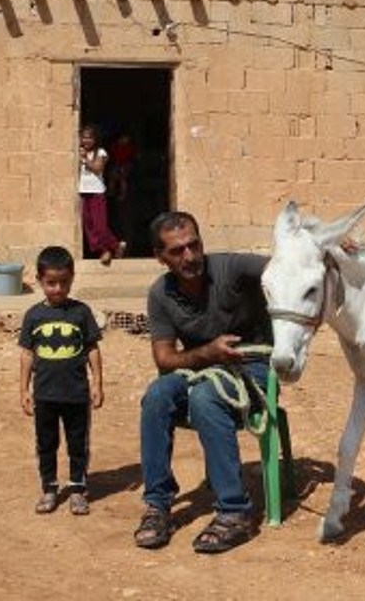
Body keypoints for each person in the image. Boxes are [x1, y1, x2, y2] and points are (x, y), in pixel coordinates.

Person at [133, 210, 273, 554]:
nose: (190, 256)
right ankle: (157, 505)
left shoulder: (232, 268)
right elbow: (164, 360)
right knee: (156, 395)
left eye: (194, 245)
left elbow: (285, 267)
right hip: (201, 368)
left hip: (252, 367)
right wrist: (208, 353)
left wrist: (327, 251)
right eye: (177, 250)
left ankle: (234, 512)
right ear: (160, 257)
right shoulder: (160, 294)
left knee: (205, 398)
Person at [18, 245, 105, 516]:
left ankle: (78, 488)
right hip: (45, 395)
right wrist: (24, 389)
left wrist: (98, 383)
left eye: (64, 282)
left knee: (78, 442)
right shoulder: (34, 315)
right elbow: (27, 354)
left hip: (76, 394)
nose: (58, 289)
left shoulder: (81, 312)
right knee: (46, 443)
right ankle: (49, 488)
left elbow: (92, 349)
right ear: (39, 280)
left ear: (72, 278)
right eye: (51, 283)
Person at [78, 125, 126, 265]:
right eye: (84, 137)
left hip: (97, 192)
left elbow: (97, 169)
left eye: (89, 137)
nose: (86, 140)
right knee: (89, 225)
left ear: (95, 139)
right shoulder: (79, 151)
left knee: (100, 225)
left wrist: (85, 159)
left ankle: (106, 250)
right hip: (84, 192)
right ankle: (116, 246)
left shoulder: (101, 152)